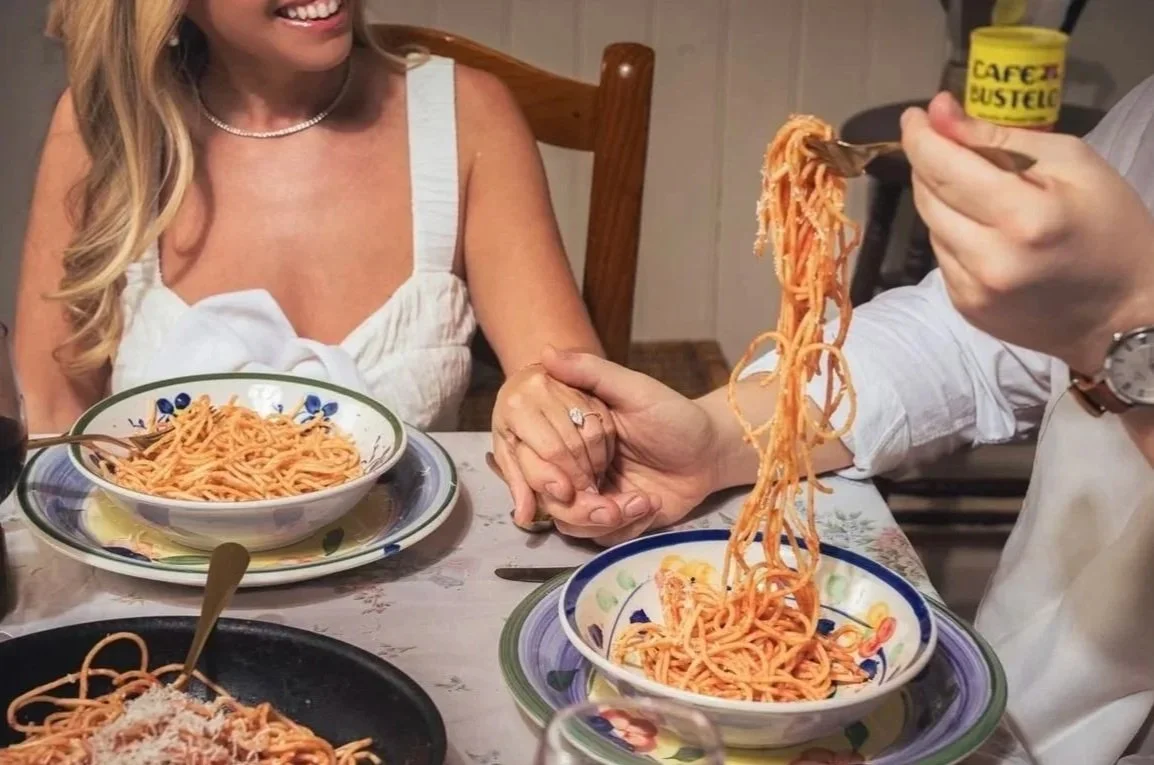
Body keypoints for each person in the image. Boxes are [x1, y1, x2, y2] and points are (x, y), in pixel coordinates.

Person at [498, 84, 1154, 764]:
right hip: (1022, 697)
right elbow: (968, 342)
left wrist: (1127, 319)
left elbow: (1094, 314)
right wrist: (716, 439)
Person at [13, 0, 613, 495]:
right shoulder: (102, 128)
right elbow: (51, 424)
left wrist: (554, 426)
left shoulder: (468, 116)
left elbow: (572, 399)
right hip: (158, 594)